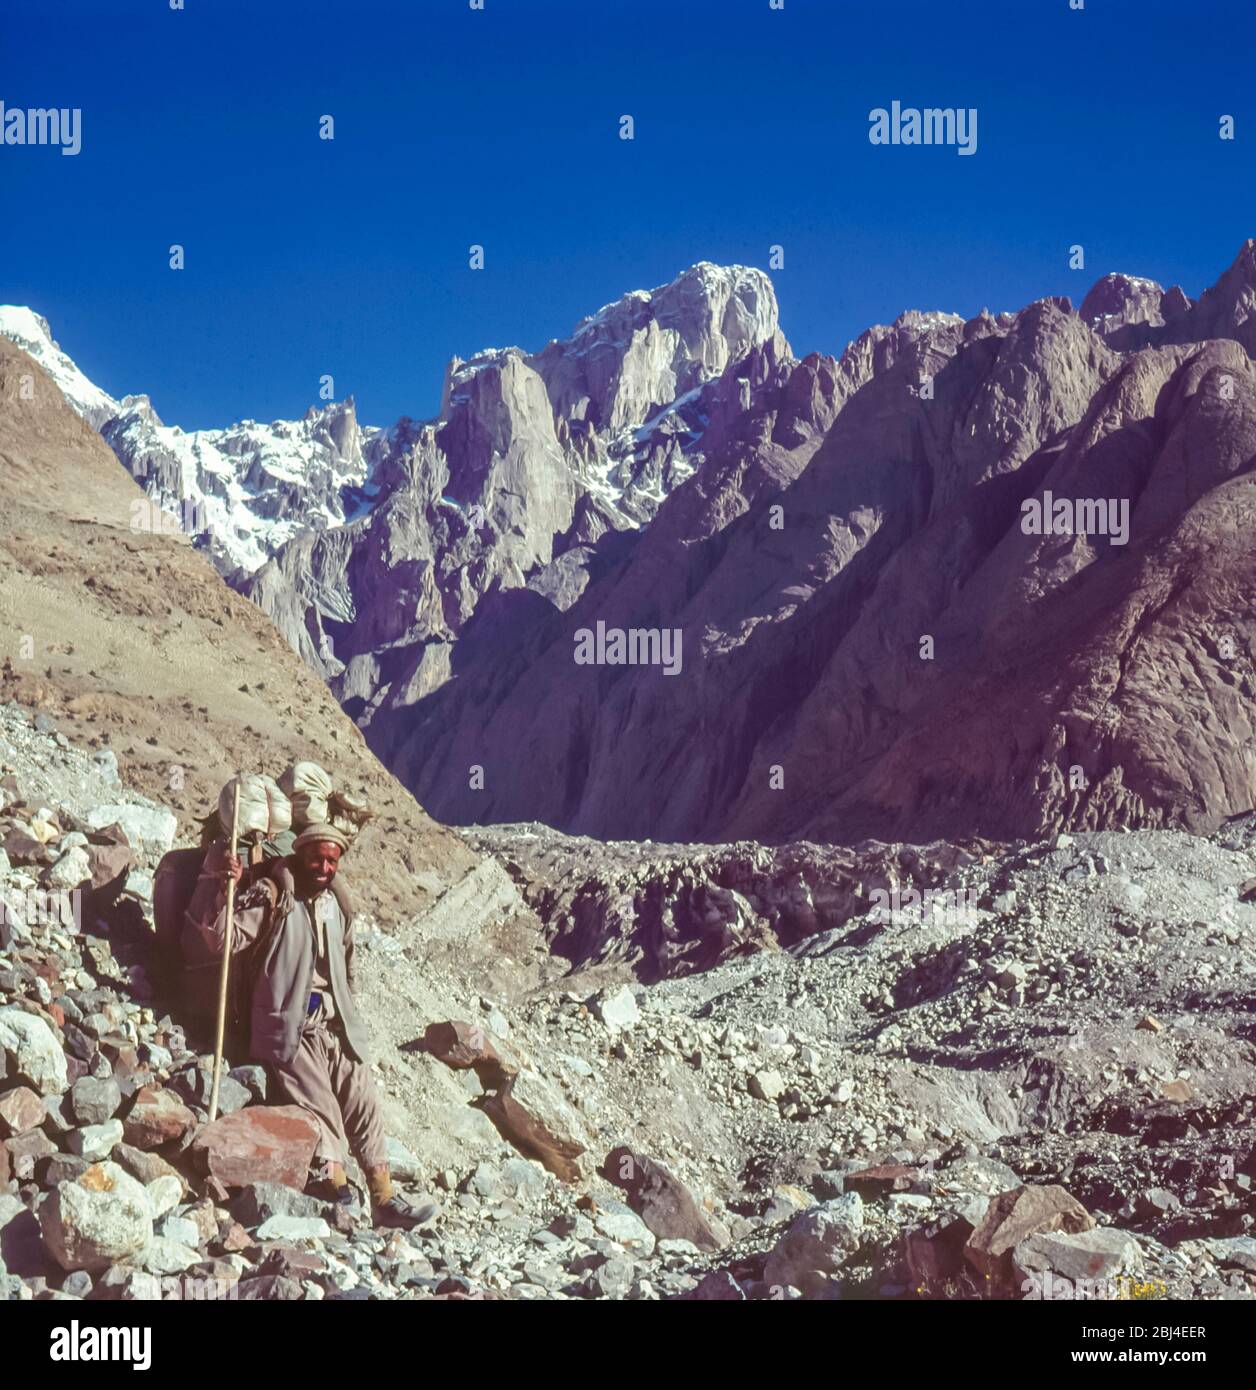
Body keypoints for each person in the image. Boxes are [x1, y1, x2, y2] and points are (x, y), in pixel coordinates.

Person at [186, 823, 436, 1230]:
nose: (323, 867)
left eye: (331, 860)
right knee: (323, 1106)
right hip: (288, 1027)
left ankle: (383, 1195)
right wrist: (222, 888)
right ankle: (334, 1187)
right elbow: (222, 941)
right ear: (300, 855)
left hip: (334, 1027)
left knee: (364, 1098)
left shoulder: (336, 905)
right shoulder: (274, 897)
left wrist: (347, 1013)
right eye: (316, 858)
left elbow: (347, 962)